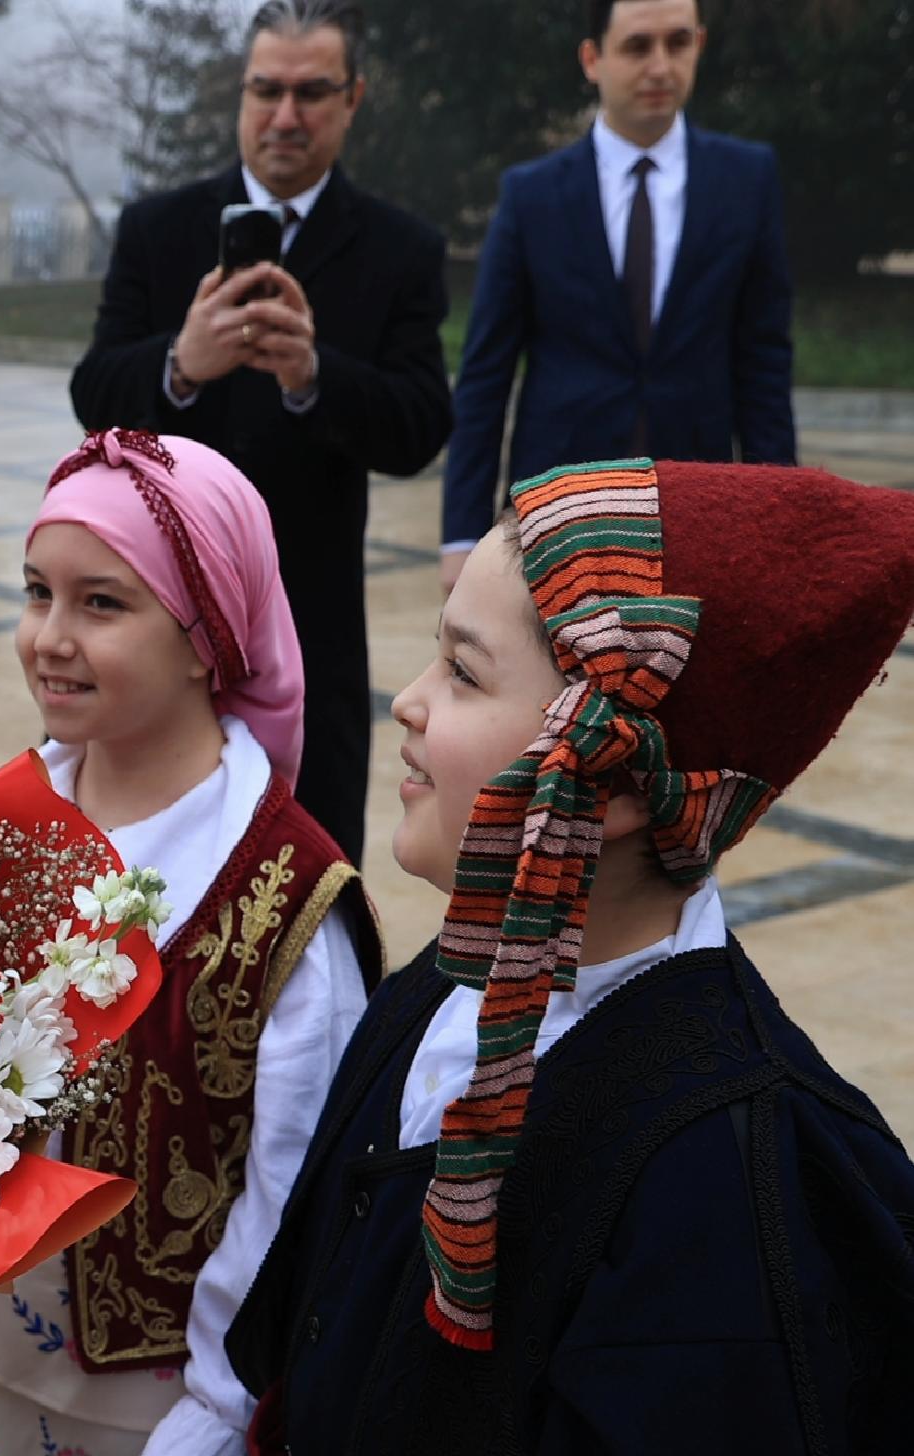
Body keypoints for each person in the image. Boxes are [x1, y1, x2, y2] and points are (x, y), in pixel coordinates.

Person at [192, 457, 914, 1452]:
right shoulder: (441, 988)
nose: (405, 700)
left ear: (615, 790)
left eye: (461, 670)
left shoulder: (724, 1192)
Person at [0, 428, 382, 1456]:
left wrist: (215, 1416)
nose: (48, 635)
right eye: (37, 591)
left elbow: (291, 1199)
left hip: (155, 1417)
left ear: (205, 636)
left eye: (101, 602)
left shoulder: (282, 905)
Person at [70, 0, 451, 864]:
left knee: (304, 874)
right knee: (140, 878)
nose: (286, 116)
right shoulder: (159, 231)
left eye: (312, 92)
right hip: (154, 624)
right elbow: (94, 389)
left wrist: (315, 376)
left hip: (311, 626)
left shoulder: (400, 249)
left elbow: (421, 425)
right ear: (240, 96)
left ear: (352, 100)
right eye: (266, 90)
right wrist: (181, 363)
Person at [437, 0, 795, 594]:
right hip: (556, 514)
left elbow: (763, 367)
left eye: (678, 43)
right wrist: (459, 537)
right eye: (637, 46)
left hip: (699, 510)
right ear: (592, 58)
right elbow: (484, 377)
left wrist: (781, 522)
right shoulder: (532, 195)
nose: (660, 65)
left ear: (699, 45)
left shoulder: (747, 180)